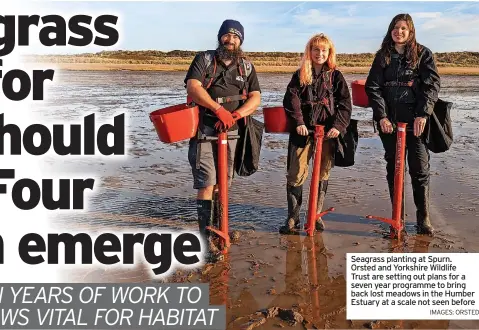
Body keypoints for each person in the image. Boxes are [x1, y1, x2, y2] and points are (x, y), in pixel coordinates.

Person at [184, 19, 261, 261]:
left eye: (236, 37)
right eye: (227, 35)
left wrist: (236, 114)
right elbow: (193, 87)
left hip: (234, 132)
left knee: (223, 184)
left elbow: (256, 97)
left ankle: (221, 228)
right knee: (207, 184)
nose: (231, 40)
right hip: (205, 131)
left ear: (241, 41)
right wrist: (218, 110)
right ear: (220, 37)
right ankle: (205, 239)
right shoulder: (204, 59)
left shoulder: (246, 67)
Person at [365, 13, 440, 237]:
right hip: (389, 124)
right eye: (396, 28)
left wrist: (422, 115)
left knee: (419, 169)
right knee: (394, 168)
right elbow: (373, 87)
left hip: (415, 122)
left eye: (403, 29)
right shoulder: (382, 56)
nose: (399, 32)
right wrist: (382, 117)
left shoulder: (423, 54)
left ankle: (423, 218)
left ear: (411, 32)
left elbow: (431, 86)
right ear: (390, 30)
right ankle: (398, 215)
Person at [280, 33, 352, 234]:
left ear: (329, 53)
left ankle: (316, 214)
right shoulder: (299, 74)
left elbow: (345, 104)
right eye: (316, 49)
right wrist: (299, 122)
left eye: (323, 50)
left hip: (328, 134)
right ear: (309, 51)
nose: (319, 53)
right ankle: (293, 218)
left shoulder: (336, 76)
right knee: (295, 174)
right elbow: (291, 100)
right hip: (302, 133)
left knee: (322, 173)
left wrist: (338, 126)